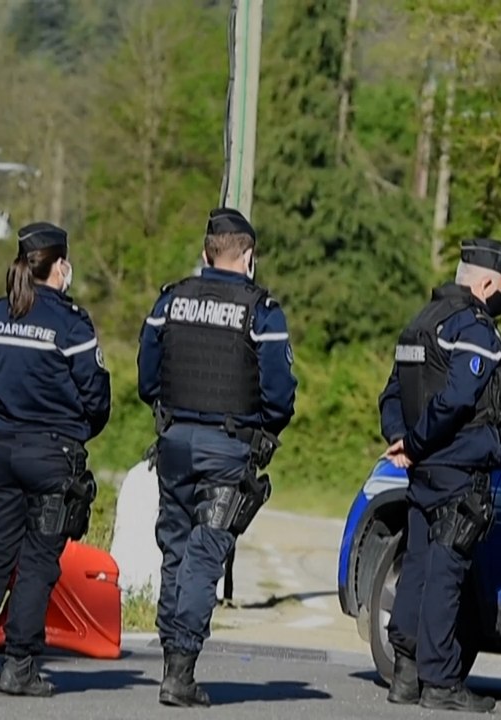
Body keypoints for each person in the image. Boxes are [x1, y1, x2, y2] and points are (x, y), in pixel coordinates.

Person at [137, 207, 297, 707]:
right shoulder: (261, 310)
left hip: (174, 442)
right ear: (247, 255)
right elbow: (279, 394)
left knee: (175, 551)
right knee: (205, 556)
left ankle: (171, 661)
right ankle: (180, 672)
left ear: (207, 252)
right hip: (227, 447)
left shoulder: (170, 300)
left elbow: (147, 376)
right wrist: (263, 429)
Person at [0, 222, 111, 697]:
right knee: (38, 563)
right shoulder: (71, 323)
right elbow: (97, 396)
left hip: (2, 452)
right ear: (59, 266)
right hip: (52, 455)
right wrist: (78, 431)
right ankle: (19, 666)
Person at [377, 238, 501, 713]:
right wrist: (417, 443)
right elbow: (459, 399)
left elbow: (391, 395)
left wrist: (403, 441)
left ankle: (405, 671)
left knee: (418, 564)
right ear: (485, 284)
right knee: (446, 572)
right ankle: (440, 682)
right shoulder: (473, 328)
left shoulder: (420, 323)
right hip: (456, 464)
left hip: (423, 468)